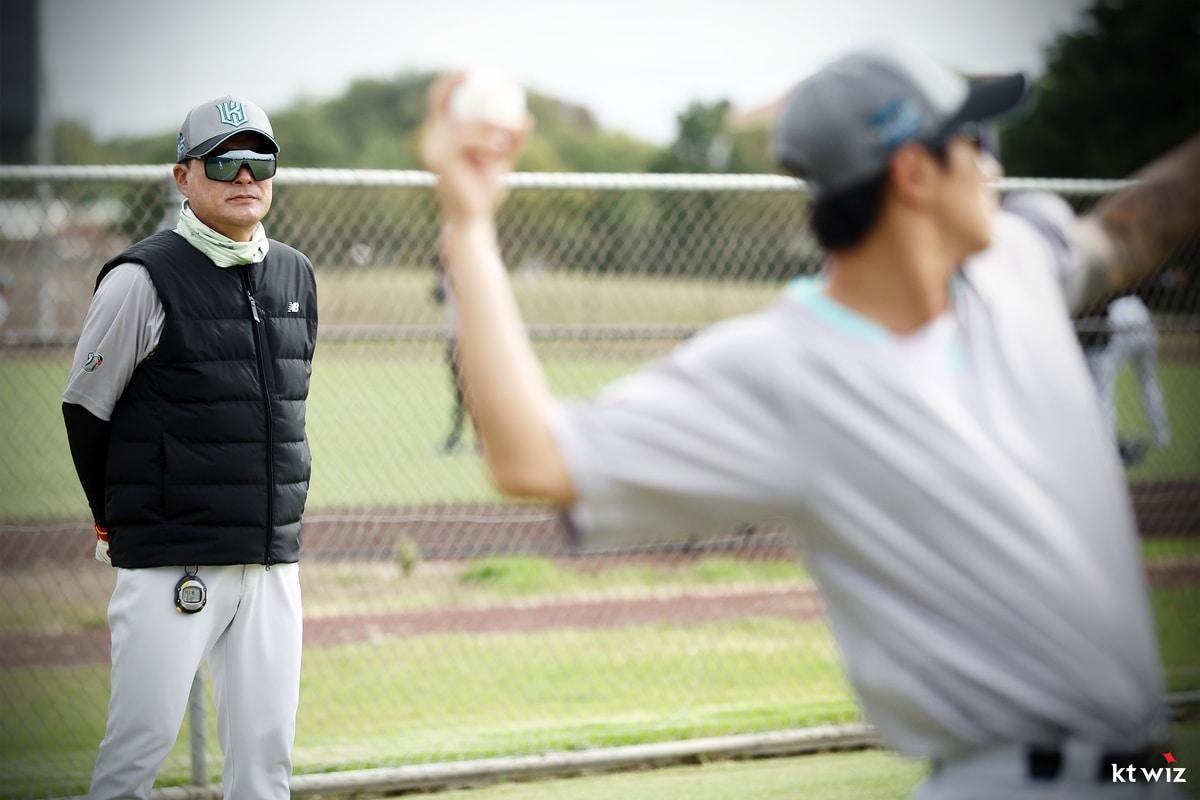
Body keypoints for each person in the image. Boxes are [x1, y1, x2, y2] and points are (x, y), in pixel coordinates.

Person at [420, 44, 1200, 799]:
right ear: (915, 173)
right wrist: (470, 222)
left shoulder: (1015, 267)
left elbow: (1130, 229)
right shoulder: (783, 371)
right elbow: (532, 457)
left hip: (1153, 767)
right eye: (976, 141)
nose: (994, 164)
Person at [62, 96, 317, 799]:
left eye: (259, 159)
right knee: (137, 752)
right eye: (224, 160)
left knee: (266, 763)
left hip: (270, 560)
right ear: (183, 176)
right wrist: (114, 520)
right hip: (172, 560)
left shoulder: (296, 274)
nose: (244, 176)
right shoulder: (140, 278)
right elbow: (85, 409)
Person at [1083, 294, 1170, 465]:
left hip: (1120, 328)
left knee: (1103, 390)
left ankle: (1106, 443)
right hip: (1142, 321)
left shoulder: (1101, 304)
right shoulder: (1123, 300)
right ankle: (1161, 436)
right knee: (1148, 381)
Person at [431, 261, 470, 452]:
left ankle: (480, 438)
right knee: (459, 391)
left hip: (469, 337)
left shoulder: (469, 271)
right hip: (453, 336)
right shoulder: (445, 274)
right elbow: (438, 298)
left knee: (471, 391)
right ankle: (457, 435)